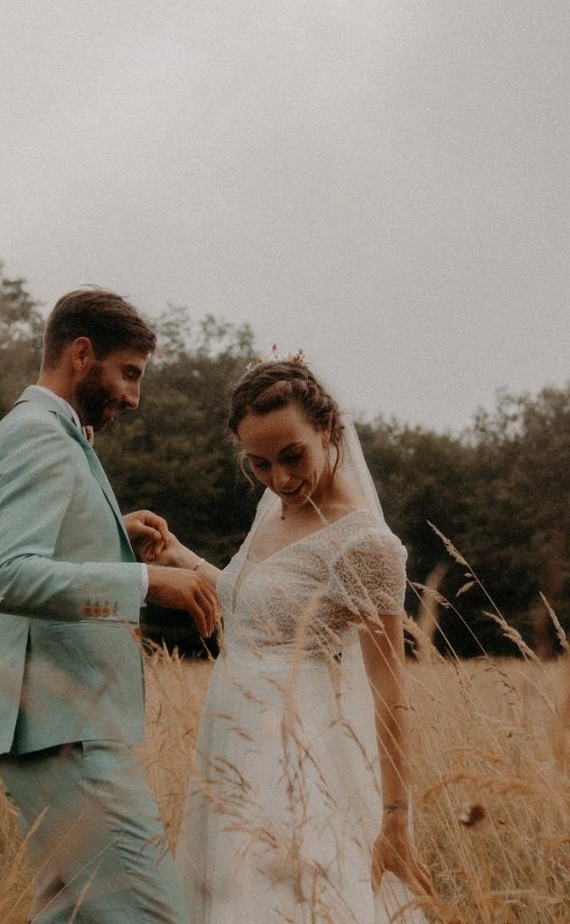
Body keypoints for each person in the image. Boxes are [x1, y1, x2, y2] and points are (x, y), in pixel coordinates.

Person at [144, 356, 435, 923]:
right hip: (231, 741)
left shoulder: (364, 543)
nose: (280, 478)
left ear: (327, 431)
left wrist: (395, 816)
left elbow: (389, 688)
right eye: (259, 464)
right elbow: (249, 599)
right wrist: (179, 556)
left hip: (302, 755)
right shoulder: (274, 514)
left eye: (292, 456)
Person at [0, 287, 218, 924]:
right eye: (129, 373)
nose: (134, 396)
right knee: (162, 914)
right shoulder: (39, 435)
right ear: (82, 354)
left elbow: (41, 554)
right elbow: (8, 576)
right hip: (64, 729)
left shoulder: (48, 432)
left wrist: (114, 535)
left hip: (57, 727)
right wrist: (147, 585)